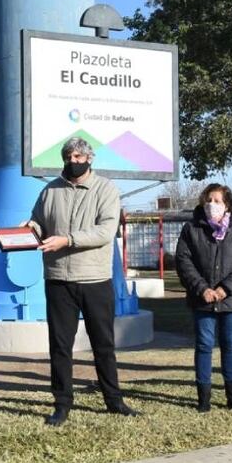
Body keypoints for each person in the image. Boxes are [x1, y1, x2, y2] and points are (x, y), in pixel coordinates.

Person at [25, 137, 138, 427]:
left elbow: (104, 231)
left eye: (78, 156)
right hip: (58, 279)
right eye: (68, 156)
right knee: (60, 346)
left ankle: (114, 401)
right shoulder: (50, 190)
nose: (73, 161)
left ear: (89, 158)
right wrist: (30, 229)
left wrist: (68, 240)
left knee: (103, 344)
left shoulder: (106, 189)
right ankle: (62, 403)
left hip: (95, 279)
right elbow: (38, 221)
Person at [175, 183, 232, 413]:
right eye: (208, 200)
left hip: (231, 301)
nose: (212, 205)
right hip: (202, 300)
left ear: (227, 204)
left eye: (217, 201)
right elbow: (184, 261)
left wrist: (225, 289)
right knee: (204, 346)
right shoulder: (191, 229)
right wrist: (202, 289)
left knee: (230, 346)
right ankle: (204, 399)